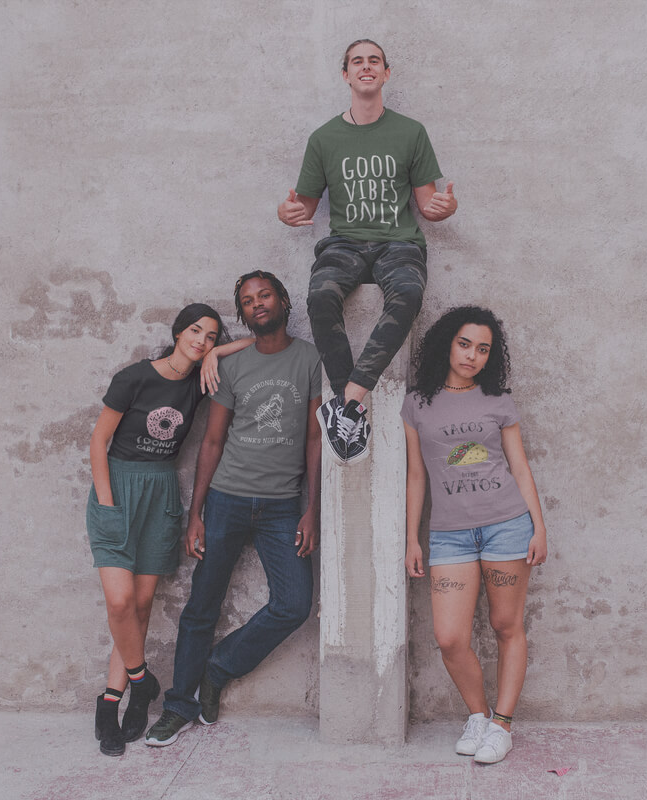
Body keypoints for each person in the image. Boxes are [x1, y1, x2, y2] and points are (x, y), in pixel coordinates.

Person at [145, 271, 322, 747]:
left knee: (294, 604)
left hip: (284, 506)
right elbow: (213, 439)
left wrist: (312, 510)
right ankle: (179, 704)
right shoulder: (230, 365)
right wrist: (196, 512)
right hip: (226, 500)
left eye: (265, 295)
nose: (257, 304)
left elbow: (313, 437)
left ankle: (217, 669)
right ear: (241, 315)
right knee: (201, 606)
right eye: (247, 301)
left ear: (284, 300)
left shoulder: (309, 358)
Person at [278, 38, 457, 465]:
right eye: (357, 61)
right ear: (346, 74)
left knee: (410, 294)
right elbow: (302, 205)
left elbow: (429, 205)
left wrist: (443, 208)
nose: (366, 67)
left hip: (399, 242)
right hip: (344, 242)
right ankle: (349, 404)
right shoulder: (324, 138)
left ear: (385, 73)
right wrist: (287, 213)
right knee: (320, 295)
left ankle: (348, 401)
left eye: (374, 60)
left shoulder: (410, 131)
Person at [87, 303, 252, 756]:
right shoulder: (135, 377)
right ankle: (142, 682)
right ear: (178, 332)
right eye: (195, 331)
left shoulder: (201, 382)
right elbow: (99, 441)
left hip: (160, 493)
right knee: (120, 602)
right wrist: (107, 503)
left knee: (140, 607)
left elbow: (259, 340)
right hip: (117, 489)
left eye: (211, 337)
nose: (201, 340)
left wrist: (217, 355)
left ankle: (112, 703)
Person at [401, 307, 547, 764]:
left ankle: (502, 725)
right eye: (465, 344)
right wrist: (412, 539)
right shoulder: (416, 404)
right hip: (450, 535)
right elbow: (416, 476)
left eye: (483, 349)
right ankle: (479, 716)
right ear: (448, 343)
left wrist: (538, 526)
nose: (472, 355)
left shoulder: (498, 401)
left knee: (507, 627)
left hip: (507, 525)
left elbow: (519, 467)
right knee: (449, 637)